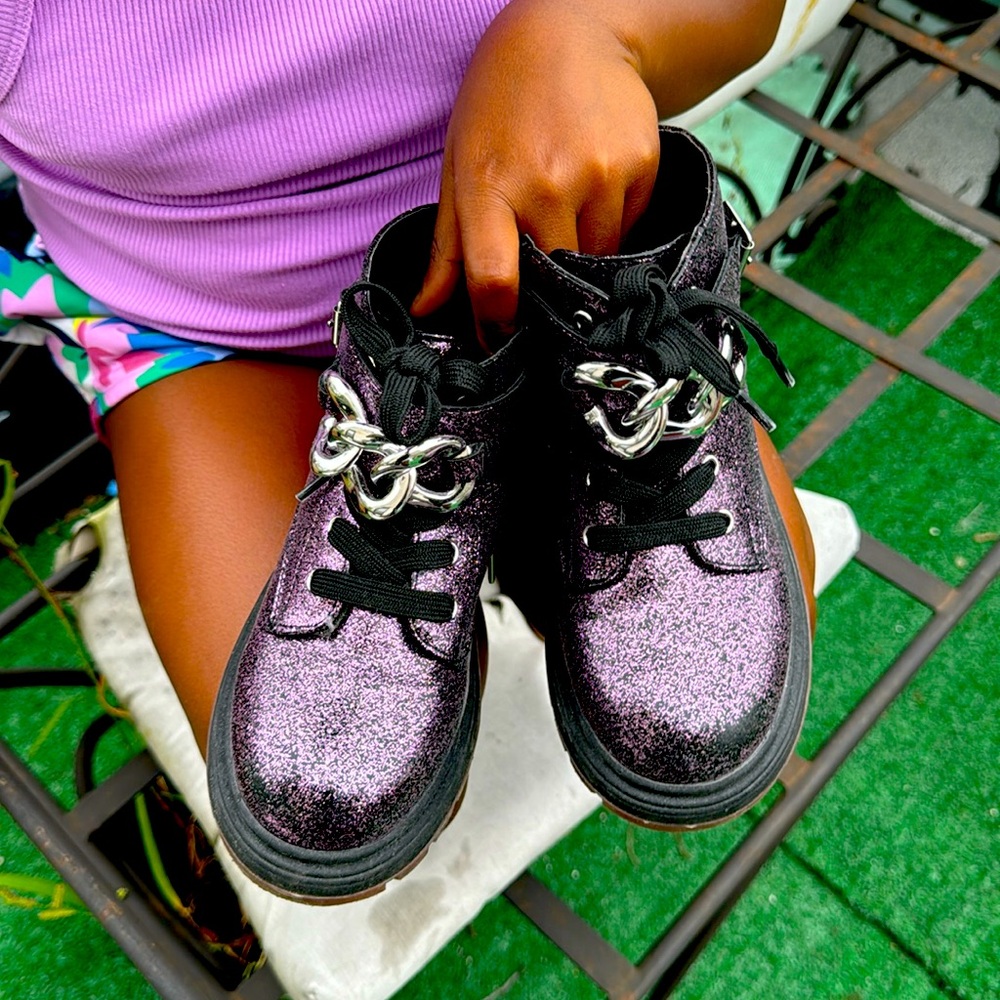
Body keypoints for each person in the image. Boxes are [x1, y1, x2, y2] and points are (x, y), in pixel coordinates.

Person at [0, 0, 789, 754]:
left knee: (699, 696)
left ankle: (532, 517)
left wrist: (601, 28)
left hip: (558, 253)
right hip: (193, 318)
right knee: (310, 763)